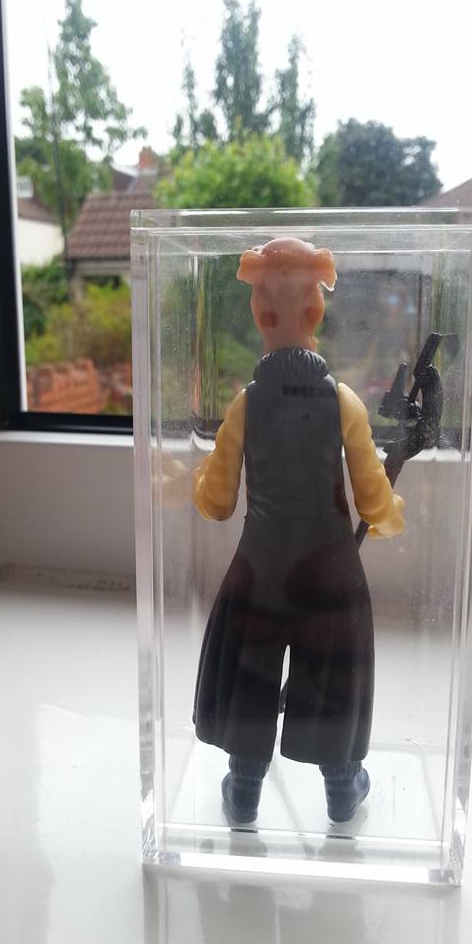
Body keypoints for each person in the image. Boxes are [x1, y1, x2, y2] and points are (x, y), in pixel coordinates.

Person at [192, 238, 405, 824]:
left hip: (259, 570)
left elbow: (216, 504)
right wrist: (392, 512)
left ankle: (243, 791)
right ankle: (342, 788)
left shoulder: (245, 406)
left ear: (259, 314)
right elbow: (373, 501)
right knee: (331, 677)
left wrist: (197, 481)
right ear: (316, 310)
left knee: (251, 674)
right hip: (329, 572)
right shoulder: (344, 404)